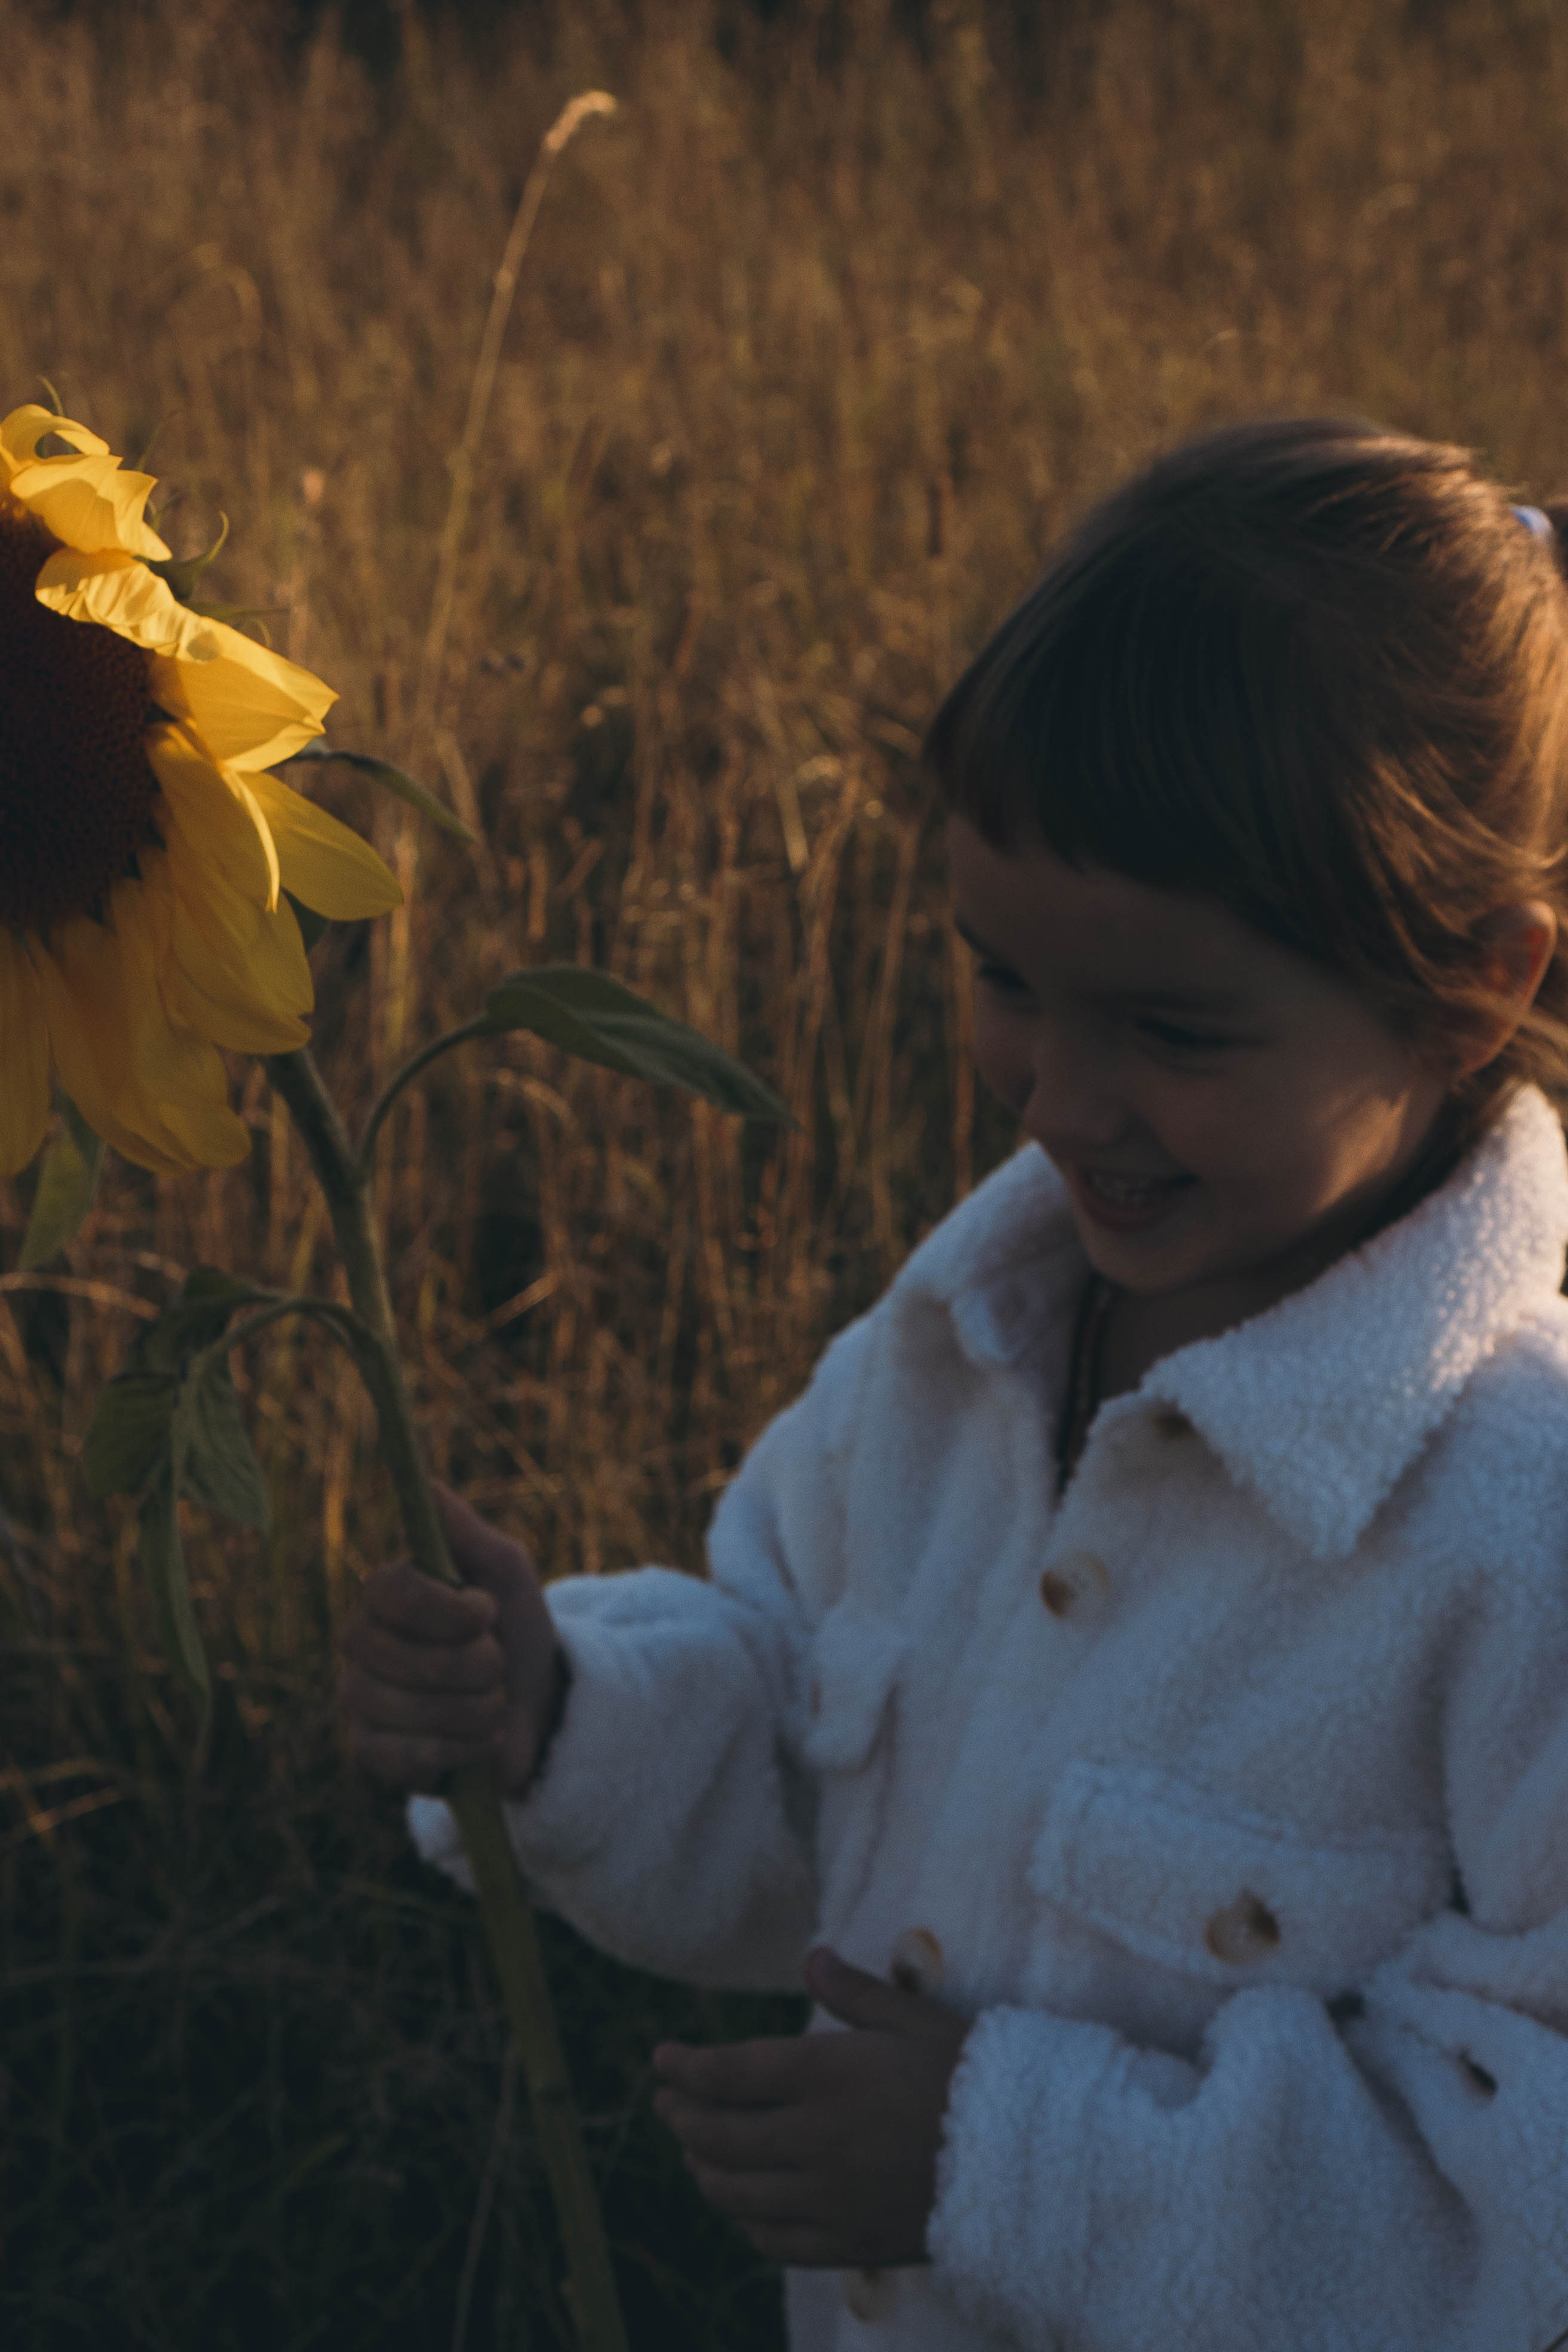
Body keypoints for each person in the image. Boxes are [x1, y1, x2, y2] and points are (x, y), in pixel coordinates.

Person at [334, 417, 1568, 2351]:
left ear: (1476, 988)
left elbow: (1531, 2209)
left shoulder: (1520, 1536)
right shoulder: (954, 1363)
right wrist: (559, 1716)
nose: (1061, 1104)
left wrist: (1004, 2163)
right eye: (1003, 978)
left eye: (1173, 1026)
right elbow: (787, 1739)